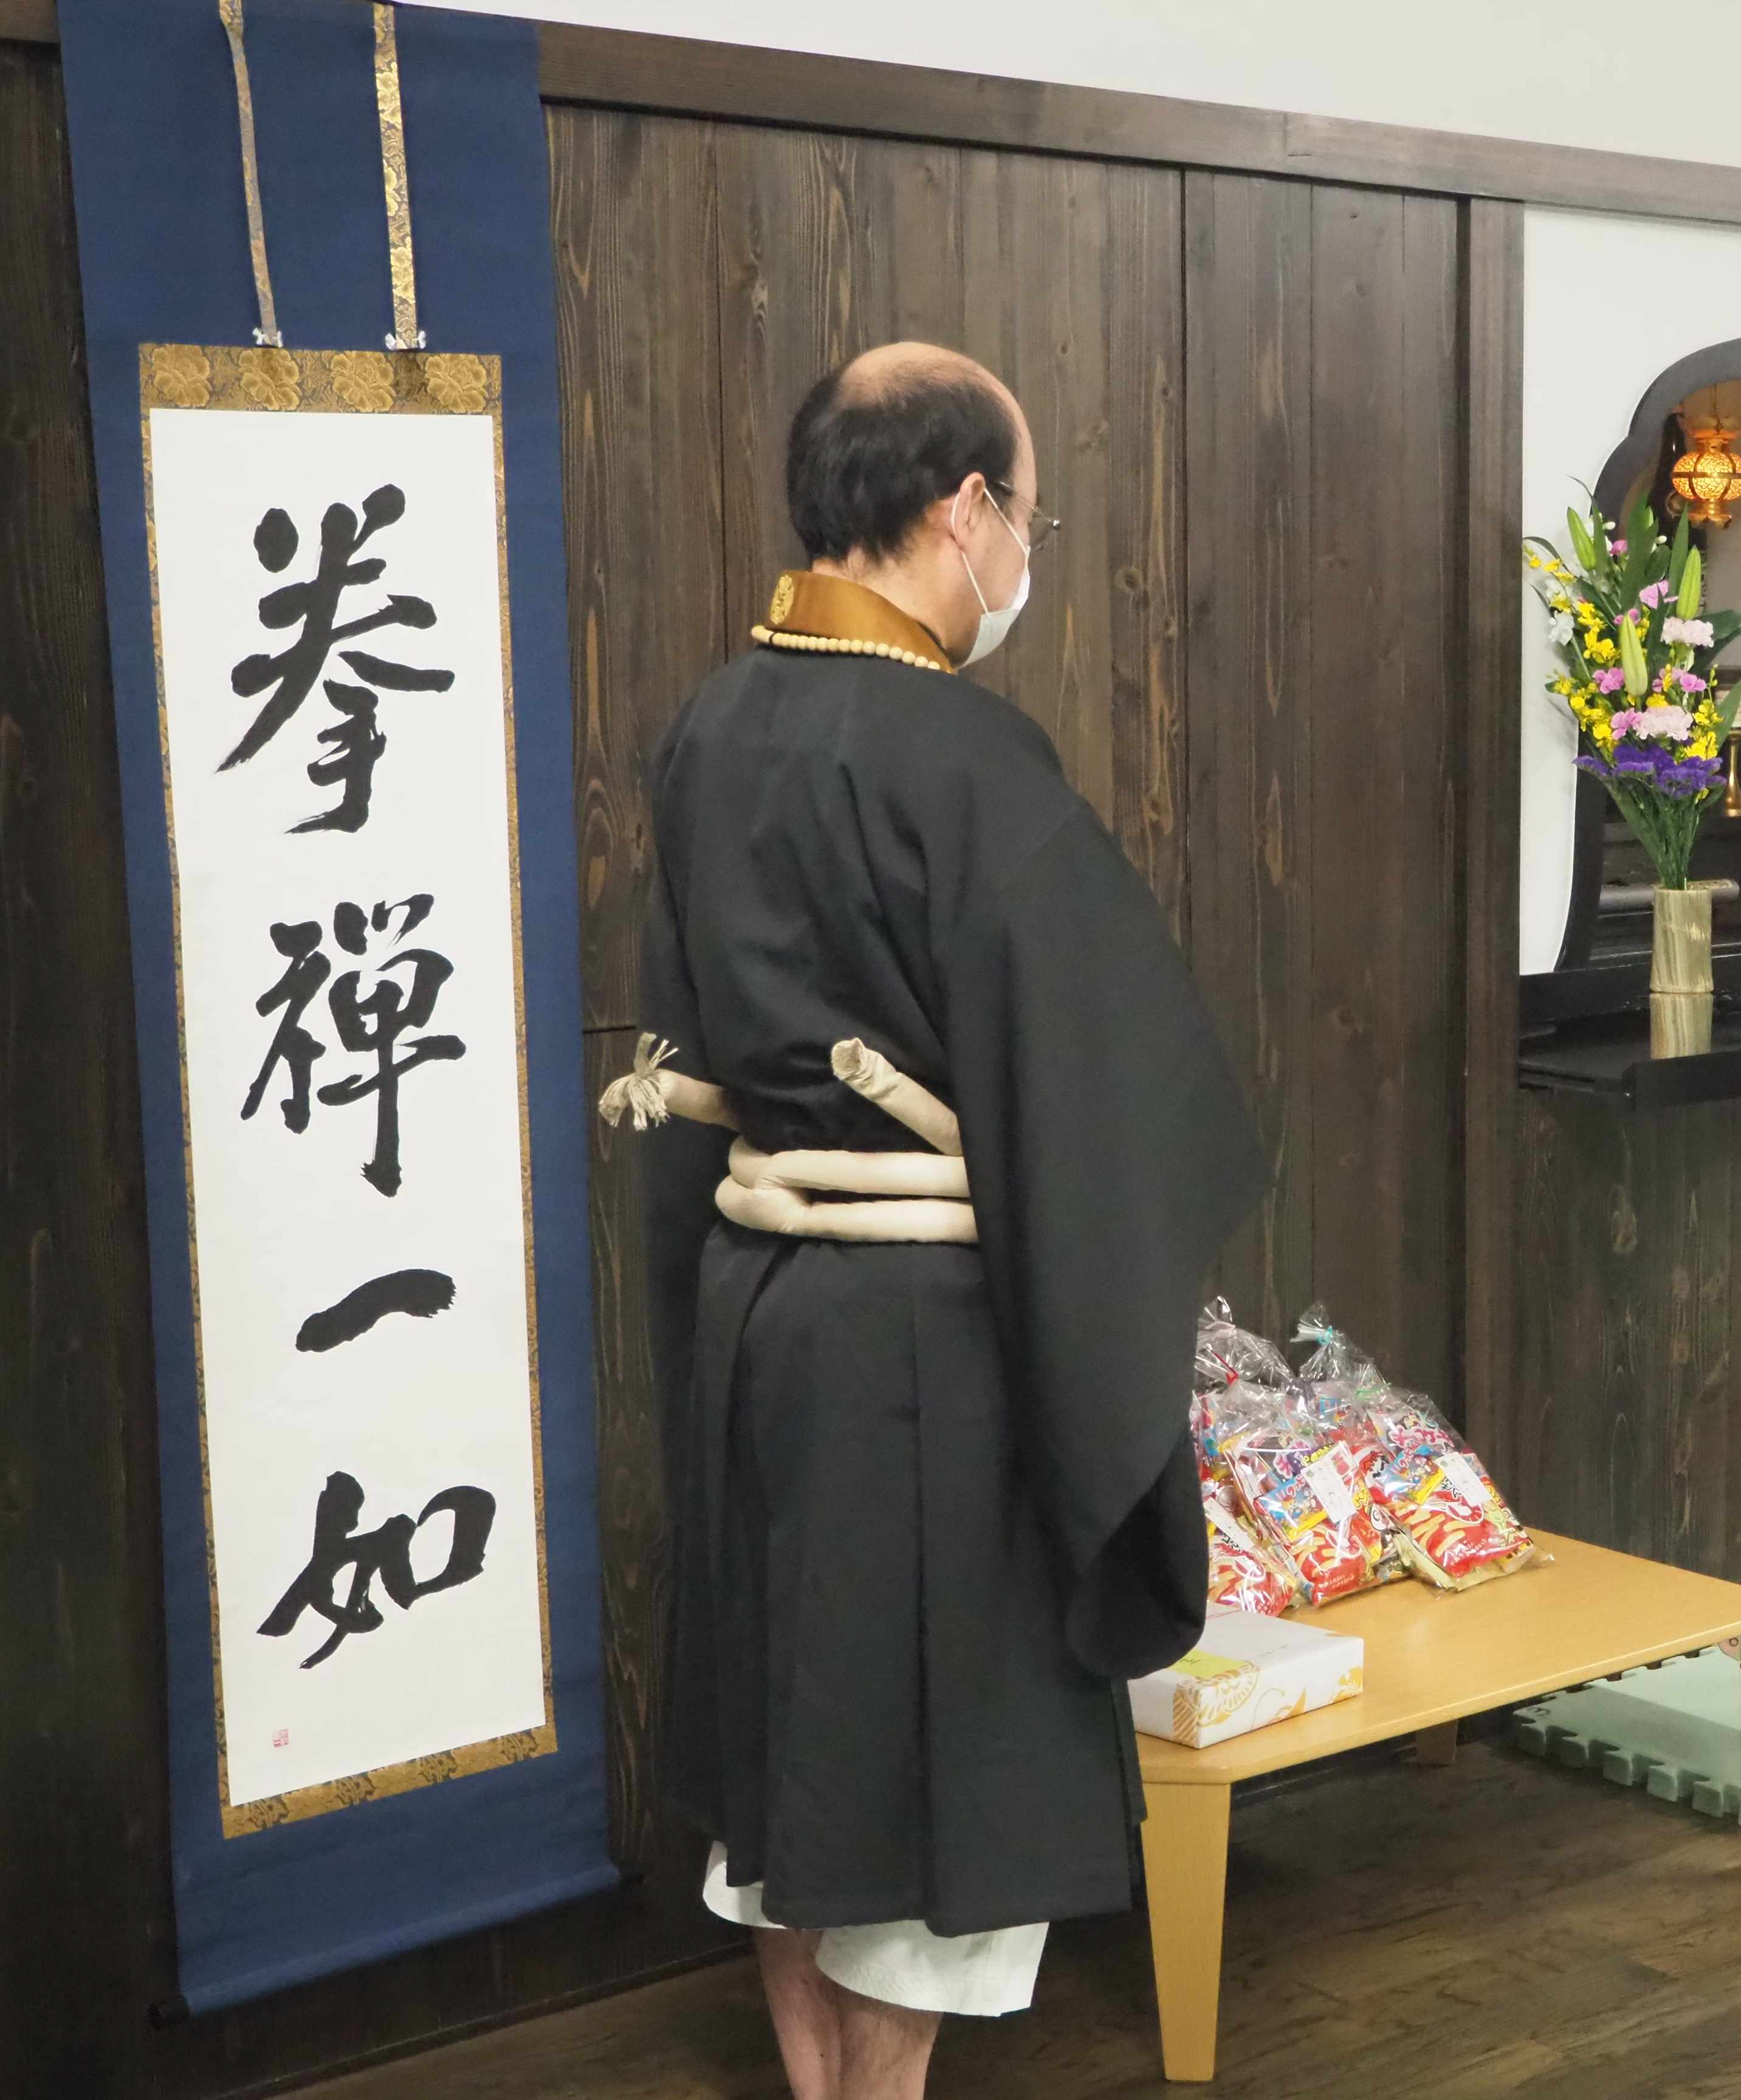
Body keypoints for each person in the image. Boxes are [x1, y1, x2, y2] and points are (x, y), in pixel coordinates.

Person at [606, 342, 1266, 2099]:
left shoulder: (709, 726)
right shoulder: (963, 755)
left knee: (792, 1762)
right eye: (1028, 514)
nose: (1024, 551)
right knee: (929, 1770)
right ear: (966, 509)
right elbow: (1108, 1081)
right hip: (922, 1348)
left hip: (758, 1304)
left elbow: (685, 1035)